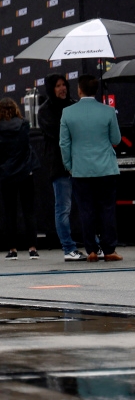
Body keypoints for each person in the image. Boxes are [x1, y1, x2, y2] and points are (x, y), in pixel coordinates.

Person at [61, 75, 123, 262]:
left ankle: (92, 250)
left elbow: (64, 144)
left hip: (81, 170)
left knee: (86, 210)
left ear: (79, 90)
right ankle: (109, 249)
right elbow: (116, 140)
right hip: (106, 169)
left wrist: (69, 166)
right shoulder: (108, 111)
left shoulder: (68, 113)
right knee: (107, 209)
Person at [38, 74, 85, 261]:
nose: (62, 88)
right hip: (59, 165)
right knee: (63, 208)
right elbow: (59, 133)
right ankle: (69, 248)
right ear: (51, 88)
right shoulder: (45, 111)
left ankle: (92, 244)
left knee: (86, 206)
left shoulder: (75, 105)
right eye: (57, 85)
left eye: (64, 84)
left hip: (81, 164)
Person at [0, 98, 40, 260]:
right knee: (29, 210)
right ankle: (32, 248)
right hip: (25, 171)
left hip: (7, 173)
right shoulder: (24, 125)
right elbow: (26, 147)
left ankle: (12, 249)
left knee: (10, 211)